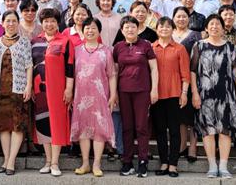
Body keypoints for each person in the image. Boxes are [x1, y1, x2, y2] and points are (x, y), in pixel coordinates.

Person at [190, 14, 236, 179]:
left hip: (227, 95)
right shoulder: (198, 46)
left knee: (224, 131)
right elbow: (192, 71)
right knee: (208, 130)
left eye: (218, 24)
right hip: (205, 94)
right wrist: (194, 93)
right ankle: (212, 166)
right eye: (211, 24)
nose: (214, 27)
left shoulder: (230, 47)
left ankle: (223, 165)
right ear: (206, 28)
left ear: (223, 28)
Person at [30, 8, 74, 177]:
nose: (49, 24)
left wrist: (68, 89)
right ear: (42, 23)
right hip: (39, 90)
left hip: (58, 89)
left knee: (57, 123)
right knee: (43, 124)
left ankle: (55, 162)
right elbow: (31, 66)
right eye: (46, 21)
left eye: (52, 21)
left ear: (58, 23)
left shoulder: (65, 41)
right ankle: (47, 161)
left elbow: (70, 67)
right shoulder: (35, 41)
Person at [70, 17, 117, 178]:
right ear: (82, 31)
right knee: (83, 128)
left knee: (99, 129)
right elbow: (71, 75)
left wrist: (113, 94)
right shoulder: (76, 50)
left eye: (93, 28)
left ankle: (97, 163)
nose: (90, 31)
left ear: (99, 31)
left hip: (100, 96)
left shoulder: (106, 51)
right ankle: (85, 163)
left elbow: (111, 75)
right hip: (80, 96)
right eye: (87, 28)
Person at [113, 15, 159, 177]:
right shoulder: (118, 47)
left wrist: (154, 90)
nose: (130, 29)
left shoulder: (145, 45)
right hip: (124, 91)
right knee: (127, 127)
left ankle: (143, 161)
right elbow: (115, 72)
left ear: (137, 28)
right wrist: (113, 94)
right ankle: (127, 161)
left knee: (141, 127)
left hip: (142, 91)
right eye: (126, 27)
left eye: (133, 27)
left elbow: (154, 68)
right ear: (122, 30)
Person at [0, 10, 33, 176]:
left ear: (18, 23)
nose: (10, 24)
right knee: (3, 126)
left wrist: (28, 85)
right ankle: (6, 159)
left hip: (19, 88)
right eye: (7, 21)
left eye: (14, 21)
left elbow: (29, 65)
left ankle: (11, 161)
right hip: (0, 91)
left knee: (17, 126)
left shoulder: (24, 42)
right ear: (2, 23)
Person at [152, 17, 190, 178]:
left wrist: (184, 93)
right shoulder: (151, 48)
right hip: (156, 95)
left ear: (173, 29)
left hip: (175, 94)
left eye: (168, 27)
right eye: (161, 27)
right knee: (160, 131)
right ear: (156, 29)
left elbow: (186, 74)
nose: (164, 29)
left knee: (175, 130)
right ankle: (164, 162)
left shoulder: (180, 48)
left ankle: (173, 164)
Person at [171, 6, 203, 163]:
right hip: (173, 80)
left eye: (184, 16)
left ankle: (193, 146)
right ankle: (182, 145)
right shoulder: (168, 34)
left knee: (193, 114)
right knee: (180, 114)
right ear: (173, 18)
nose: (181, 19)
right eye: (178, 16)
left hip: (192, 78)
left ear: (188, 19)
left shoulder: (196, 35)